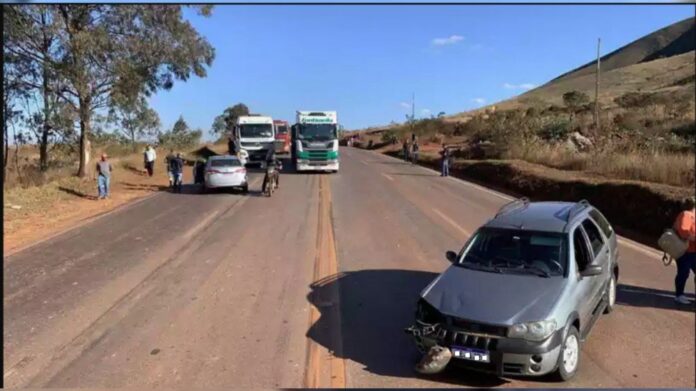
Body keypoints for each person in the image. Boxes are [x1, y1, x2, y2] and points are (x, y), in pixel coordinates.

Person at [673, 196, 696, 304]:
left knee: (684, 272)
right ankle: (679, 295)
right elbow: (683, 232)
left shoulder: (691, 215)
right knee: (683, 272)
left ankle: (679, 294)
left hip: (692, 251)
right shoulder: (687, 215)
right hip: (685, 251)